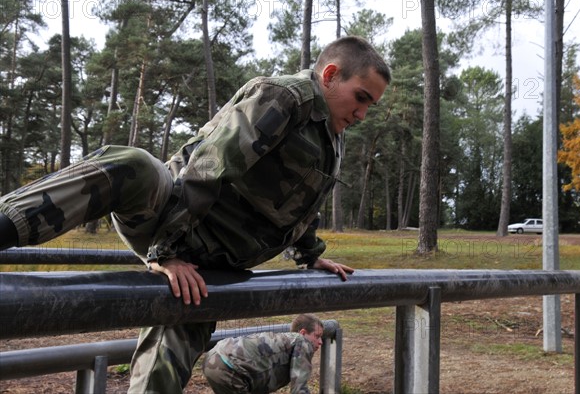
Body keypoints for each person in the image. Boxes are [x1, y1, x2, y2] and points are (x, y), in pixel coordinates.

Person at [0, 35, 390, 392]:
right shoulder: (285, 97)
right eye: (360, 98)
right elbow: (211, 164)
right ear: (331, 75)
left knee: (162, 375)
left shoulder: (331, 137)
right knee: (134, 165)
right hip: (169, 217)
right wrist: (167, 251)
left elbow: (302, 202)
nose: (361, 115)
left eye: (369, 105)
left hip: (212, 264)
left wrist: (311, 254)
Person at [202, 314, 324, 393]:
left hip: (214, 357)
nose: (320, 342)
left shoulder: (282, 346)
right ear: (302, 333)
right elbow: (299, 389)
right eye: (317, 336)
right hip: (230, 368)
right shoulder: (302, 342)